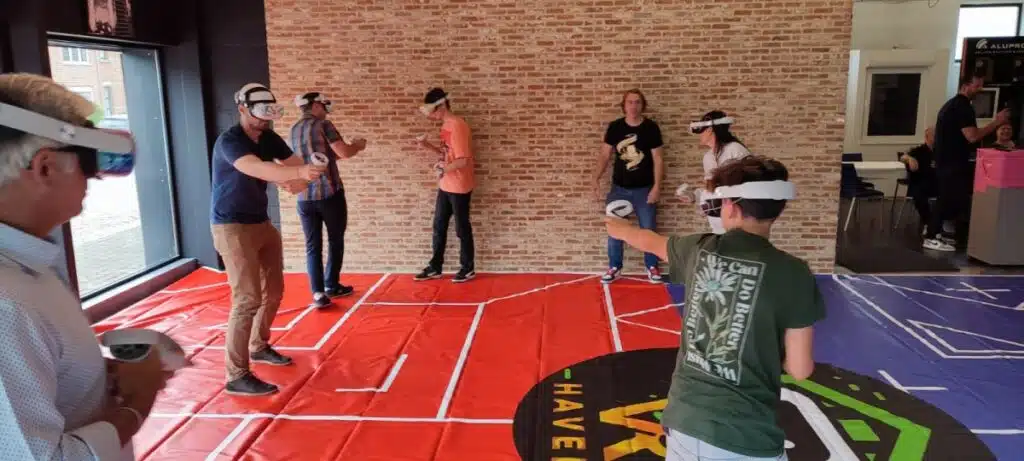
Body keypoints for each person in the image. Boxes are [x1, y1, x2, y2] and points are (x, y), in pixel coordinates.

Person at [605, 155, 824, 461]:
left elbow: (645, 239)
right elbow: (800, 369)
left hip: (685, 424)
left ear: (730, 207)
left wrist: (617, 227)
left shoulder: (699, 249)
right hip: (748, 438)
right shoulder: (794, 273)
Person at [0, 73, 172, 459]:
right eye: (86, 163)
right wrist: (138, 400)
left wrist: (90, 374)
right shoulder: (8, 305)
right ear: (45, 168)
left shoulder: (26, 269)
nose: (93, 179)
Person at [210, 83, 325, 396]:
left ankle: (258, 346)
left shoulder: (269, 137)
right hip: (232, 227)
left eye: (268, 113)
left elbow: (294, 169)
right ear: (242, 109)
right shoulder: (231, 140)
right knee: (247, 299)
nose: (264, 120)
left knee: (273, 292)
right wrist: (296, 174)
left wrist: (303, 176)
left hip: (261, 222)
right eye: (260, 113)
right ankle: (236, 375)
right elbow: (256, 168)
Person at [289, 91, 367, 308]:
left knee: (312, 246)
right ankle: (331, 284)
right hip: (329, 194)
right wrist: (358, 145)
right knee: (335, 240)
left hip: (304, 197)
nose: (325, 111)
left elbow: (310, 159)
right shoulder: (323, 125)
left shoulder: (293, 129)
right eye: (323, 106)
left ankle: (318, 294)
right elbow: (344, 152)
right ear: (315, 106)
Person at [923, 74, 1009, 252]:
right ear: (965, 86)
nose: (980, 90)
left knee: (952, 198)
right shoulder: (962, 107)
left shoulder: (951, 105)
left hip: (946, 160)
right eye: (977, 86)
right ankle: (931, 235)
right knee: (947, 198)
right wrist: (996, 122)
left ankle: (936, 232)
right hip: (952, 162)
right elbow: (972, 136)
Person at [592, 88, 665, 283]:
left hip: (644, 189)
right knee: (614, 228)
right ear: (624, 106)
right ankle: (615, 267)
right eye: (630, 102)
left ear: (643, 105)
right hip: (619, 189)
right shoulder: (615, 127)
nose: (633, 106)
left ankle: (652, 266)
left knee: (648, 229)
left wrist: (657, 187)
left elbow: (658, 159)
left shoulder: (651, 128)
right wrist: (595, 178)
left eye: (637, 102)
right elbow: (604, 155)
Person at [413, 88, 477, 283]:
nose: (431, 116)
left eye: (432, 111)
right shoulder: (446, 125)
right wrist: (427, 146)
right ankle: (435, 266)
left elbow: (463, 160)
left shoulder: (458, 126)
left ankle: (467, 267)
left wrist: (443, 169)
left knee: (461, 227)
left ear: (441, 106)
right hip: (446, 184)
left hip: (459, 185)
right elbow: (447, 153)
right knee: (439, 226)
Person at [681, 110, 751, 234]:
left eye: (701, 130)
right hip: (717, 219)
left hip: (738, 216)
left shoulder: (735, 150)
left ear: (709, 130)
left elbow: (747, 182)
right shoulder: (708, 157)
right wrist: (695, 196)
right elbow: (711, 187)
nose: (699, 135)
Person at [899, 127, 938, 235]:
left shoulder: (940, 151)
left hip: (936, 183)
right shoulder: (918, 151)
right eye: (934, 136)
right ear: (927, 137)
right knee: (919, 195)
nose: (937, 138)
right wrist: (909, 159)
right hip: (920, 184)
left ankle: (946, 224)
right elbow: (903, 157)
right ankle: (929, 223)